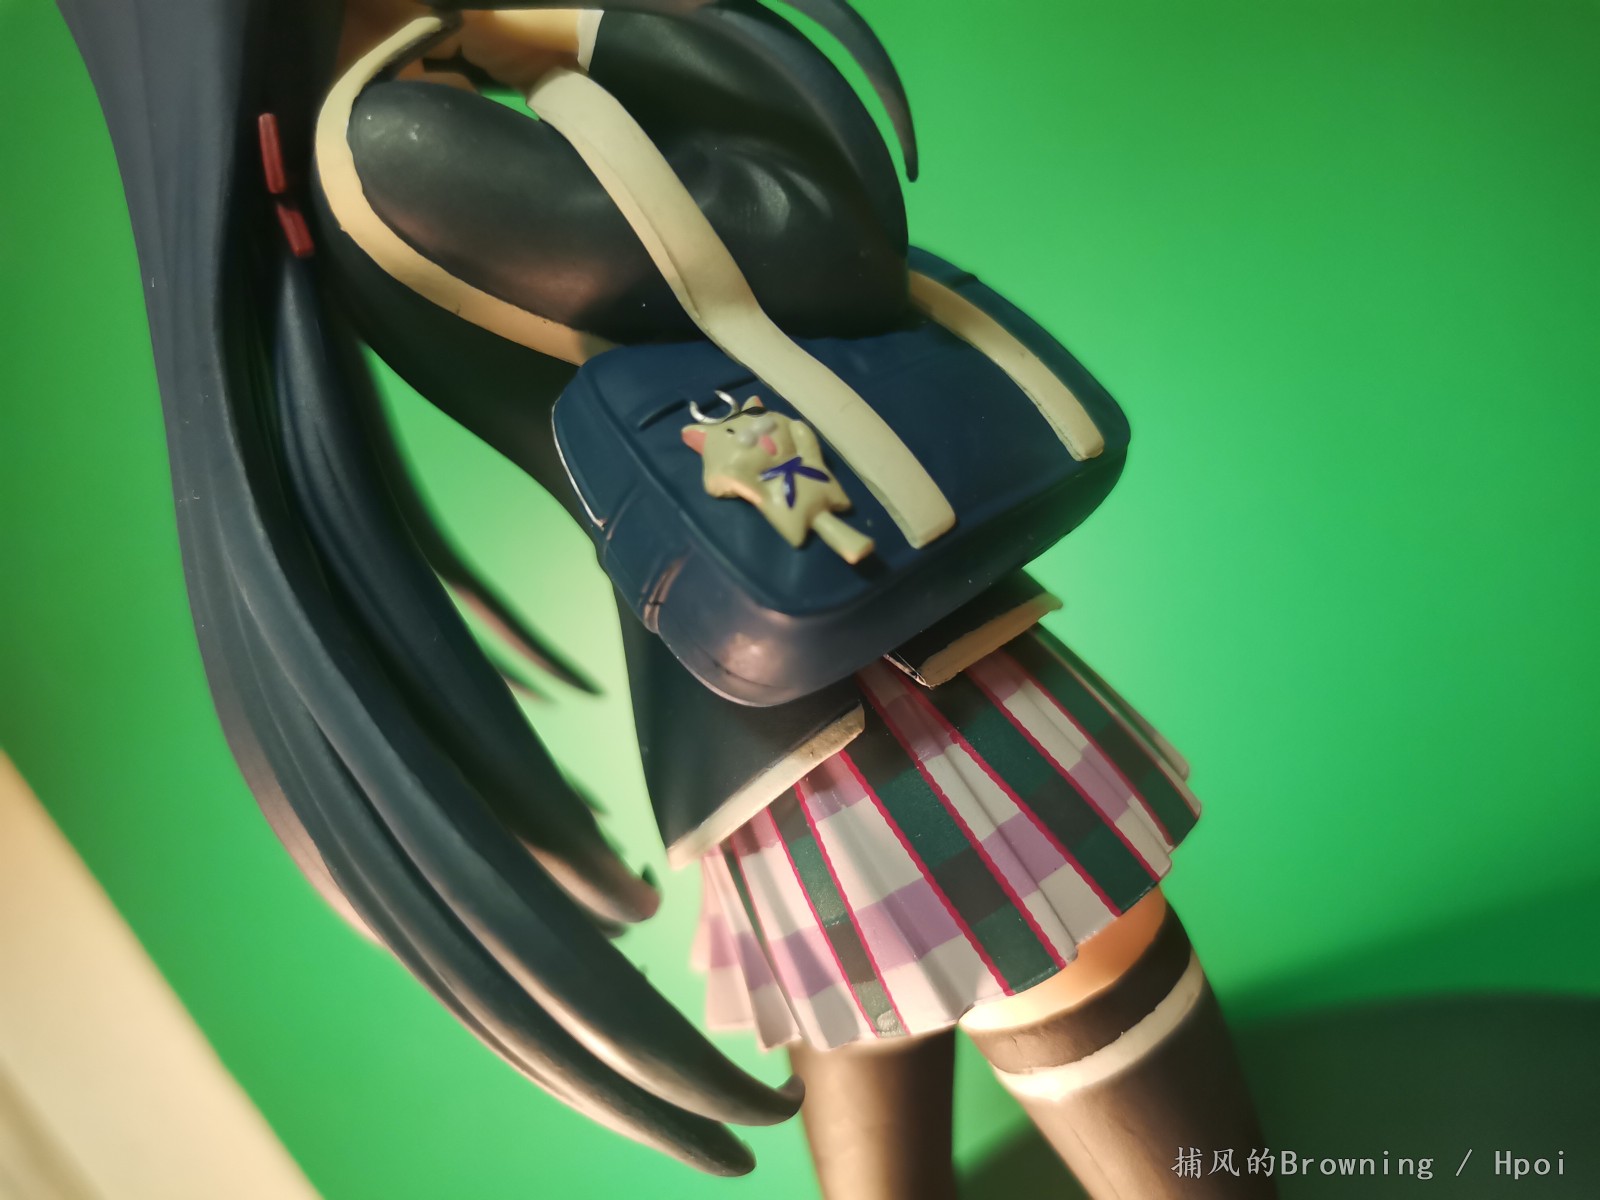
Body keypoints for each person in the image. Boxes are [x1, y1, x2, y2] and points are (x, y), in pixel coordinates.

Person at [59, 0, 1272, 1193]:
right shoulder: (394, 139)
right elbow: (823, 237)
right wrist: (597, 24)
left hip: (783, 659)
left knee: (888, 1032)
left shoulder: (382, 133)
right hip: (860, 653)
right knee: (1075, 956)